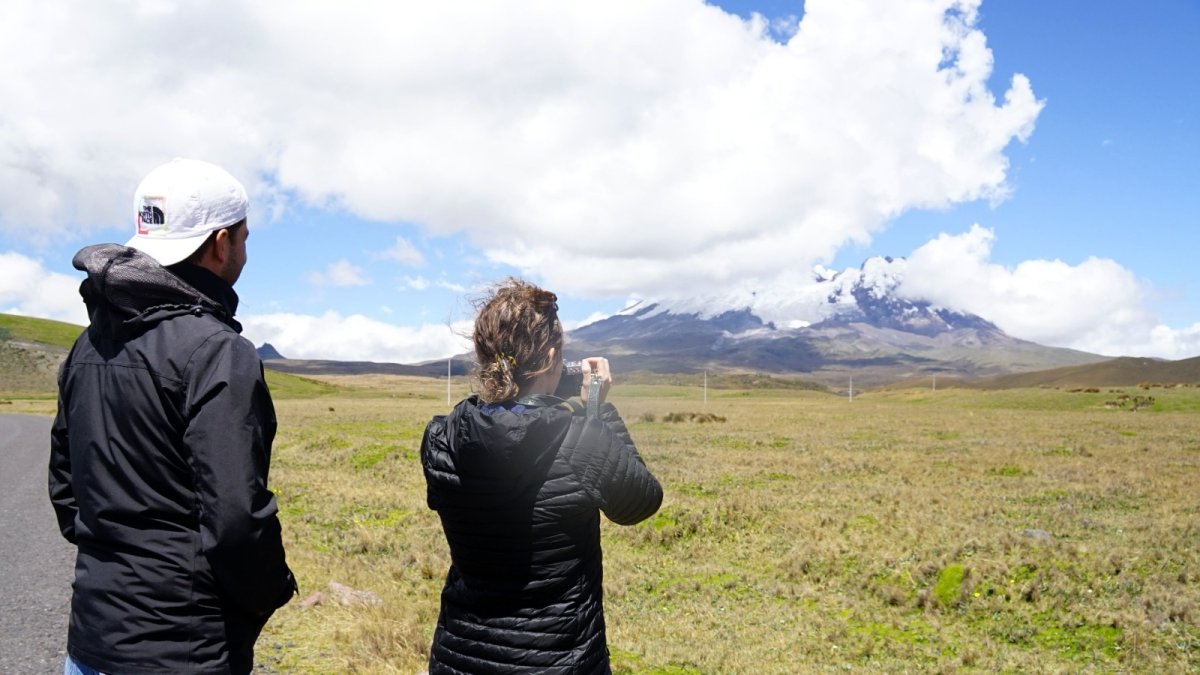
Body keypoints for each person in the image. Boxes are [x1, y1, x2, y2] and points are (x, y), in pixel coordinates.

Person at [48, 158, 296, 675]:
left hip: (91, 638)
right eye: (245, 238)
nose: (245, 251)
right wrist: (267, 594)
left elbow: (67, 490)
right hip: (185, 647)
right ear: (221, 242)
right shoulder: (217, 351)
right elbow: (234, 517)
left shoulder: (87, 342)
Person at [420, 278, 663, 674]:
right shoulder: (581, 440)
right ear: (552, 355)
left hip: (460, 656)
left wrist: (548, 378)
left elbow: (503, 412)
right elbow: (641, 502)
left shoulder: (439, 438)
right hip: (558, 660)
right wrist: (596, 407)